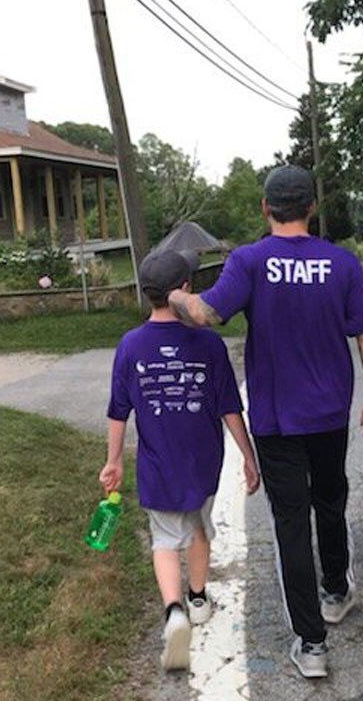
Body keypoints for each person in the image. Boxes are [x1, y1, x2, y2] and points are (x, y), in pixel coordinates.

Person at [167, 165, 363, 681]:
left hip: (276, 419)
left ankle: (312, 644)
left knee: (291, 520)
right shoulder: (343, 263)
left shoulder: (249, 261)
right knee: (331, 501)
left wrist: (173, 297)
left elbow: (206, 314)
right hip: (330, 413)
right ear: (311, 208)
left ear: (266, 209)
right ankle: (336, 592)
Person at [99, 248, 260, 672]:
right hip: (203, 462)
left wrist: (113, 461)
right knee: (197, 529)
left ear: (145, 293)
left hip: (157, 464)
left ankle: (173, 611)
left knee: (164, 538)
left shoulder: (130, 346)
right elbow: (229, 407)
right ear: (186, 290)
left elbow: (119, 411)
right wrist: (249, 457)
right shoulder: (209, 343)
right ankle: (200, 598)